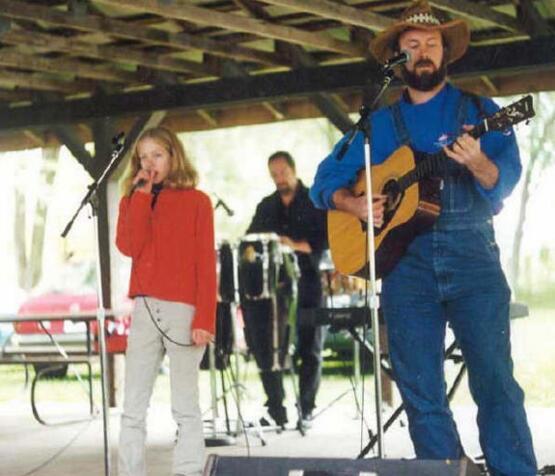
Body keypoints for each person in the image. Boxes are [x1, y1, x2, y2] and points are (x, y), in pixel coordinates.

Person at [309, 1, 537, 475]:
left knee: (495, 381)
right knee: (420, 391)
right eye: (412, 45)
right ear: (397, 57)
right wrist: (353, 204)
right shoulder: (379, 124)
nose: (423, 51)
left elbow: (504, 180)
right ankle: (448, 470)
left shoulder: (481, 111)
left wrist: (476, 162)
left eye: (432, 43)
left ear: (446, 53)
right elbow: (324, 179)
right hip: (404, 266)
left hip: (473, 257)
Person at [116, 126, 216, 476]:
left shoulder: (198, 201)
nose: (149, 163)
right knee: (133, 404)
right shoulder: (132, 197)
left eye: (157, 155)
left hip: (184, 310)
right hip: (144, 307)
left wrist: (205, 318)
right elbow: (129, 246)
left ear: (174, 156)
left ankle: (188, 471)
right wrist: (140, 197)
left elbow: (206, 262)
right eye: (143, 157)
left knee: (185, 405)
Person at [242, 151, 327, 427]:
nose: (279, 179)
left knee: (310, 348)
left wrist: (289, 243)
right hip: (275, 291)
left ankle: (306, 408)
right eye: (274, 174)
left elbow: (324, 243)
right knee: (268, 347)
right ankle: (276, 407)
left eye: (282, 173)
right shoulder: (266, 206)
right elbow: (250, 244)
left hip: (309, 284)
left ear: (293, 170)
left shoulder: (315, 201)